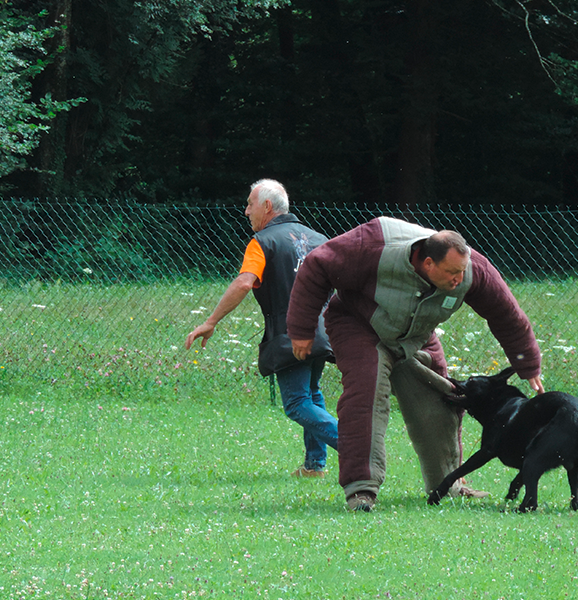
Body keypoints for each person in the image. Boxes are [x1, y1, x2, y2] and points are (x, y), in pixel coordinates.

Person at [285, 216, 544, 511]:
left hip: (416, 334)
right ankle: (361, 490)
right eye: (451, 273)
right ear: (427, 263)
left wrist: (528, 365)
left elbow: (507, 315)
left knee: (444, 399)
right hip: (359, 324)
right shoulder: (371, 246)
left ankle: (447, 486)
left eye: (462, 271)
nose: (458, 279)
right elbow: (316, 265)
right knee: (366, 393)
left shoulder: (474, 270)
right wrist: (302, 330)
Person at [185, 179, 338, 478]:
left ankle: (358, 449)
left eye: (250, 204)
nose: (246, 211)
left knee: (296, 403)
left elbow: (244, 282)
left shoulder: (263, 242)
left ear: (267, 206)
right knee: (312, 393)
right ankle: (314, 465)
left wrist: (210, 321)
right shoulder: (319, 238)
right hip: (323, 330)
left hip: (290, 333)